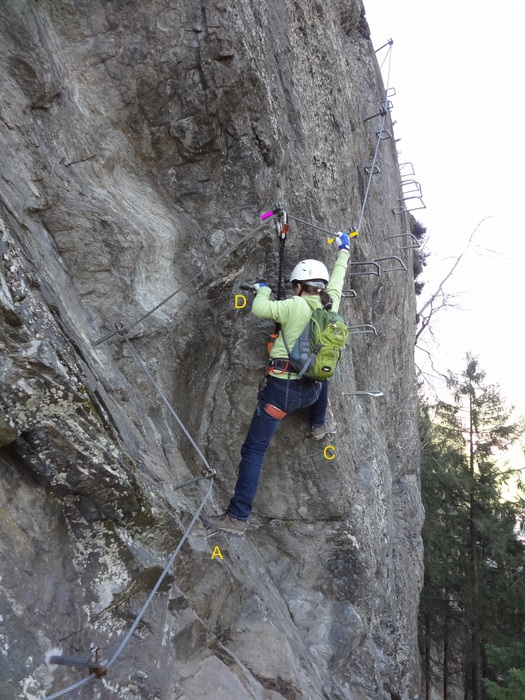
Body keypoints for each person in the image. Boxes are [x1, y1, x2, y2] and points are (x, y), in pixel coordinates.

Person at [202, 232, 351, 535]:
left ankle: (237, 517)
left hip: (280, 394)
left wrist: (261, 289)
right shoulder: (330, 305)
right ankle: (319, 424)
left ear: (298, 287)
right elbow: (339, 277)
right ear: (320, 287)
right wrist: (343, 249)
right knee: (323, 370)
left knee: (254, 451)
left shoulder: (293, 305)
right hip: (311, 392)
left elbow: (260, 309)